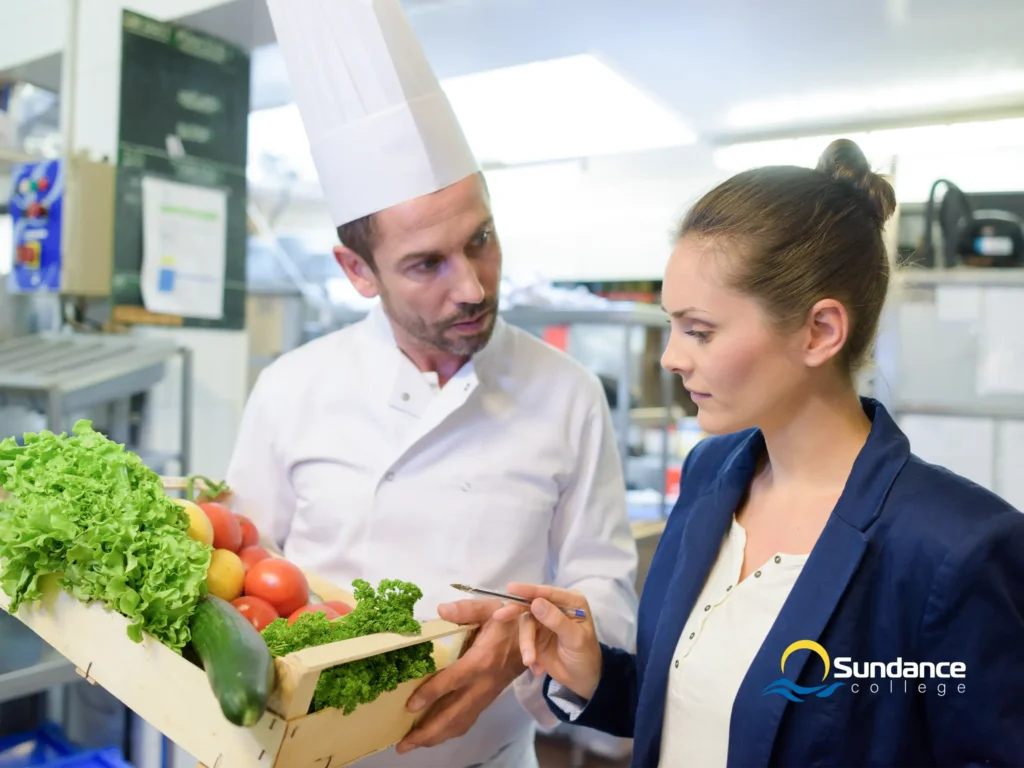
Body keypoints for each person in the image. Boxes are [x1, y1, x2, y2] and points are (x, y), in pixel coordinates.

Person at [443, 139, 1024, 767]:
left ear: (819, 331)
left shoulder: (955, 550)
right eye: (671, 326)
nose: (671, 356)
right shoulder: (711, 476)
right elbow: (698, 708)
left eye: (700, 330)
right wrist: (594, 673)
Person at [225, 2, 639, 767]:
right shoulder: (292, 390)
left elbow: (604, 592)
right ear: (357, 272)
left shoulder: (568, 393)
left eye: (480, 239)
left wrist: (519, 648)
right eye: (427, 264)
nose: (475, 286)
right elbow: (246, 577)